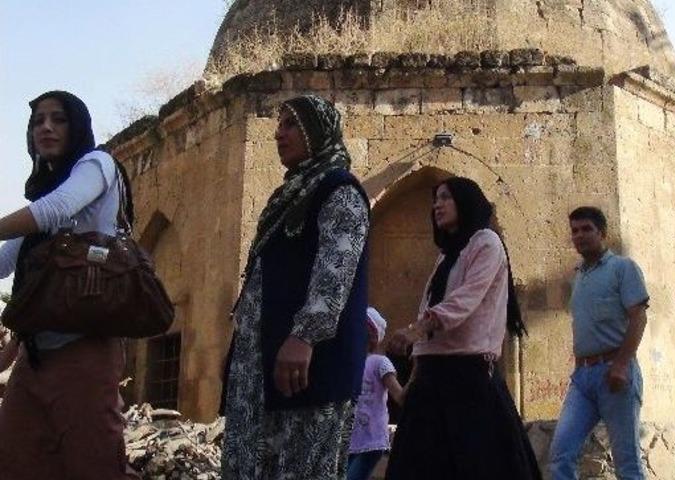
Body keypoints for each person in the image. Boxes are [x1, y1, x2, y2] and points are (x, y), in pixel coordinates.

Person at [221, 95, 370, 480]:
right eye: (279, 123)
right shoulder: (291, 196)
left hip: (310, 367)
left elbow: (336, 269)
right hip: (265, 365)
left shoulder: (339, 191)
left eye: (290, 124)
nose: (278, 134)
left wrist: (304, 337)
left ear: (315, 132)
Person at [0, 91, 139, 479]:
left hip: (85, 346)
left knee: (93, 464)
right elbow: (6, 262)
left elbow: (55, 210)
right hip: (37, 352)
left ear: (76, 125)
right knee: (17, 460)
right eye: (37, 121)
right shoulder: (44, 194)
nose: (45, 127)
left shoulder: (98, 165)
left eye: (57, 119)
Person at [385, 177, 541, 480]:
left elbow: (465, 300)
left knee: (479, 465)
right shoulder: (446, 256)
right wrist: (414, 374)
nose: (437, 205)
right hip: (431, 380)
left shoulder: (486, 242)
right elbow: (429, 305)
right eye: (435, 200)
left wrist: (417, 329)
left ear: (465, 201)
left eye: (445, 198)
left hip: (468, 377)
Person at [548, 206, 649, 480]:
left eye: (586, 229)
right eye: (574, 231)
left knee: (627, 463)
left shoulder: (622, 268)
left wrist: (621, 364)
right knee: (560, 454)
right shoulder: (579, 276)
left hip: (615, 372)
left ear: (602, 233)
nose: (579, 236)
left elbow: (638, 318)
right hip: (582, 378)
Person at [346, 307, 405, 480]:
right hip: (347, 439)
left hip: (371, 441)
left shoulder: (379, 362)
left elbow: (399, 395)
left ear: (372, 336)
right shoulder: (347, 363)